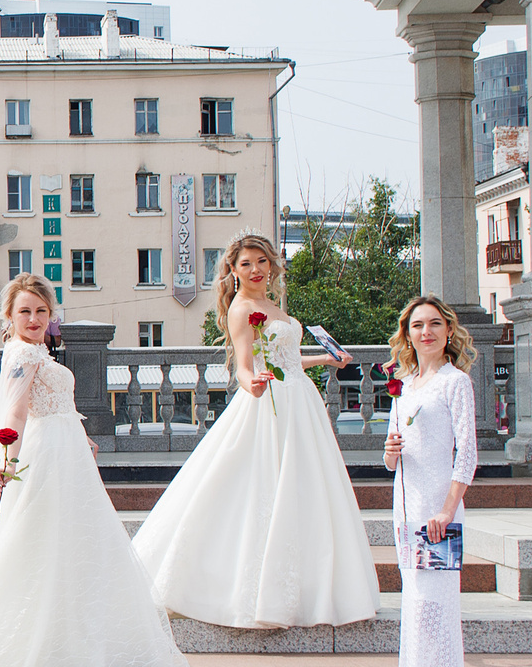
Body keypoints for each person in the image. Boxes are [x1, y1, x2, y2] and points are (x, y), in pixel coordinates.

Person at [0, 276, 195, 667]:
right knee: (49, 549)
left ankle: (66, 648)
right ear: (9, 316)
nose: (33, 319)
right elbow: (14, 409)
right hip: (45, 459)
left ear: (51, 315)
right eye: (24, 311)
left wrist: (80, 434)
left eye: (41, 311)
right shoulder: (24, 353)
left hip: (66, 456)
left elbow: (58, 402)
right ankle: (50, 654)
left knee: (67, 550)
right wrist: (7, 459)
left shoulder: (40, 351)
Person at [131, 233, 375, 629]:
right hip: (270, 404)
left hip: (300, 403)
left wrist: (331, 360)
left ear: (271, 265)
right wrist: (253, 385)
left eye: (261, 261)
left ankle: (309, 589)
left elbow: (288, 358)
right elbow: (244, 365)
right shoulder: (242, 309)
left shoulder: (273, 306)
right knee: (258, 487)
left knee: (302, 489)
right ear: (233, 270)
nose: (256, 269)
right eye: (246, 263)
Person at [382, 295, 476, 667]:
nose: (426, 333)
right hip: (405, 513)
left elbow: (468, 455)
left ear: (448, 331)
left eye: (435, 324)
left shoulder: (455, 383)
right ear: (408, 334)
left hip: (438, 515)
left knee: (438, 613)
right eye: (418, 326)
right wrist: (391, 453)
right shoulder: (404, 385)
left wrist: (446, 509)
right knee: (415, 613)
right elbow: (388, 457)